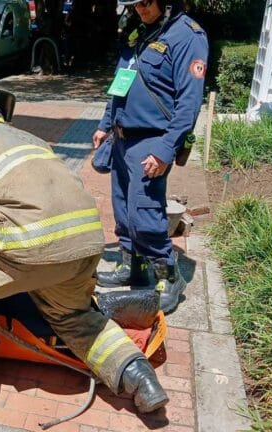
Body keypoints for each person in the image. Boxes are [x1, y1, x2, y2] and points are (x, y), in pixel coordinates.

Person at [0, 88, 169, 414]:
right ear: (1, 119)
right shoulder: (32, 141)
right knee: (75, 318)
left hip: (26, 247)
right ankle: (139, 376)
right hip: (85, 243)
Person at [92, 0, 208, 314]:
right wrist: (105, 125)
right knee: (124, 210)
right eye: (134, 4)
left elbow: (189, 103)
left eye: (145, 2)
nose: (139, 9)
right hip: (122, 138)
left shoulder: (187, 36)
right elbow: (122, 81)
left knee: (145, 214)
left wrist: (165, 149)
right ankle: (133, 268)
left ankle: (170, 277)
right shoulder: (141, 32)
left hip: (152, 141)